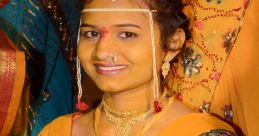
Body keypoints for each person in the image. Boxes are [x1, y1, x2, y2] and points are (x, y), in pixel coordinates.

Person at [39, 0, 240, 136]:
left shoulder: (201, 132)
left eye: (127, 34)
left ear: (172, 43)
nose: (102, 52)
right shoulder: (59, 130)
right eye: (91, 34)